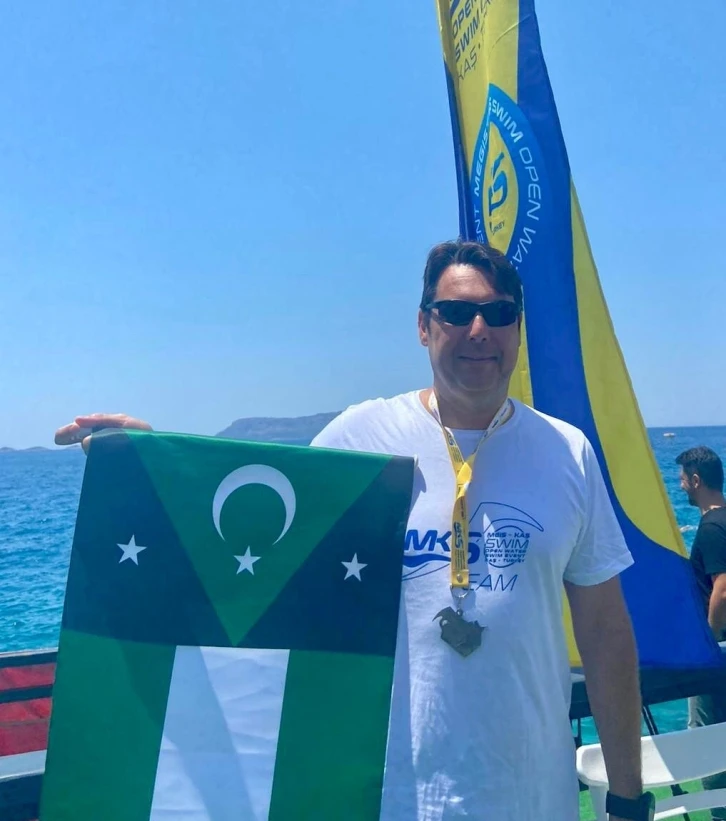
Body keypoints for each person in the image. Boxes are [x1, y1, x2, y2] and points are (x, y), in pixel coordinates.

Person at [56, 240, 650, 821]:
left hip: (531, 799)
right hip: (390, 799)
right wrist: (154, 464)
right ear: (423, 326)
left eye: (499, 314)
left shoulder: (567, 452)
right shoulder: (362, 438)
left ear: (517, 329)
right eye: (455, 311)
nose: (478, 330)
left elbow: (605, 633)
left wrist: (627, 798)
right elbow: (255, 548)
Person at [677, 446, 726, 821]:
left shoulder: (710, 528)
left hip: (718, 650)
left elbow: (722, 588)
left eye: (682, 479)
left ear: (696, 480)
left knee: (707, 737)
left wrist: (706, 641)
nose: (681, 486)